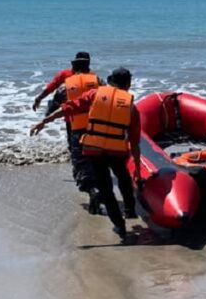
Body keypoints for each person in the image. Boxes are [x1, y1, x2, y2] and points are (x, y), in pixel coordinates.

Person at [31, 68, 142, 244]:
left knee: (106, 190)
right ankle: (130, 209)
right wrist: (137, 167)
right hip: (116, 151)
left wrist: (45, 121)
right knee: (123, 177)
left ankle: (120, 226)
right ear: (128, 85)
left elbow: (70, 107)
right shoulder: (131, 107)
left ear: (110, 80)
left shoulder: (94, 94)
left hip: (94, 149)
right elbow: (135, 143)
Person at [41, 55, 103, 214]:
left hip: (76, 128)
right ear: (88, 67)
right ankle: (100, 187)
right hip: (98, 128)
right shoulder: (98, 81)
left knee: (80, 161)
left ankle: (91, 191)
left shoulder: (66, 86)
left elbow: (55, 105)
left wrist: (45, 118)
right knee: (97, 160)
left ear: (73, 68)